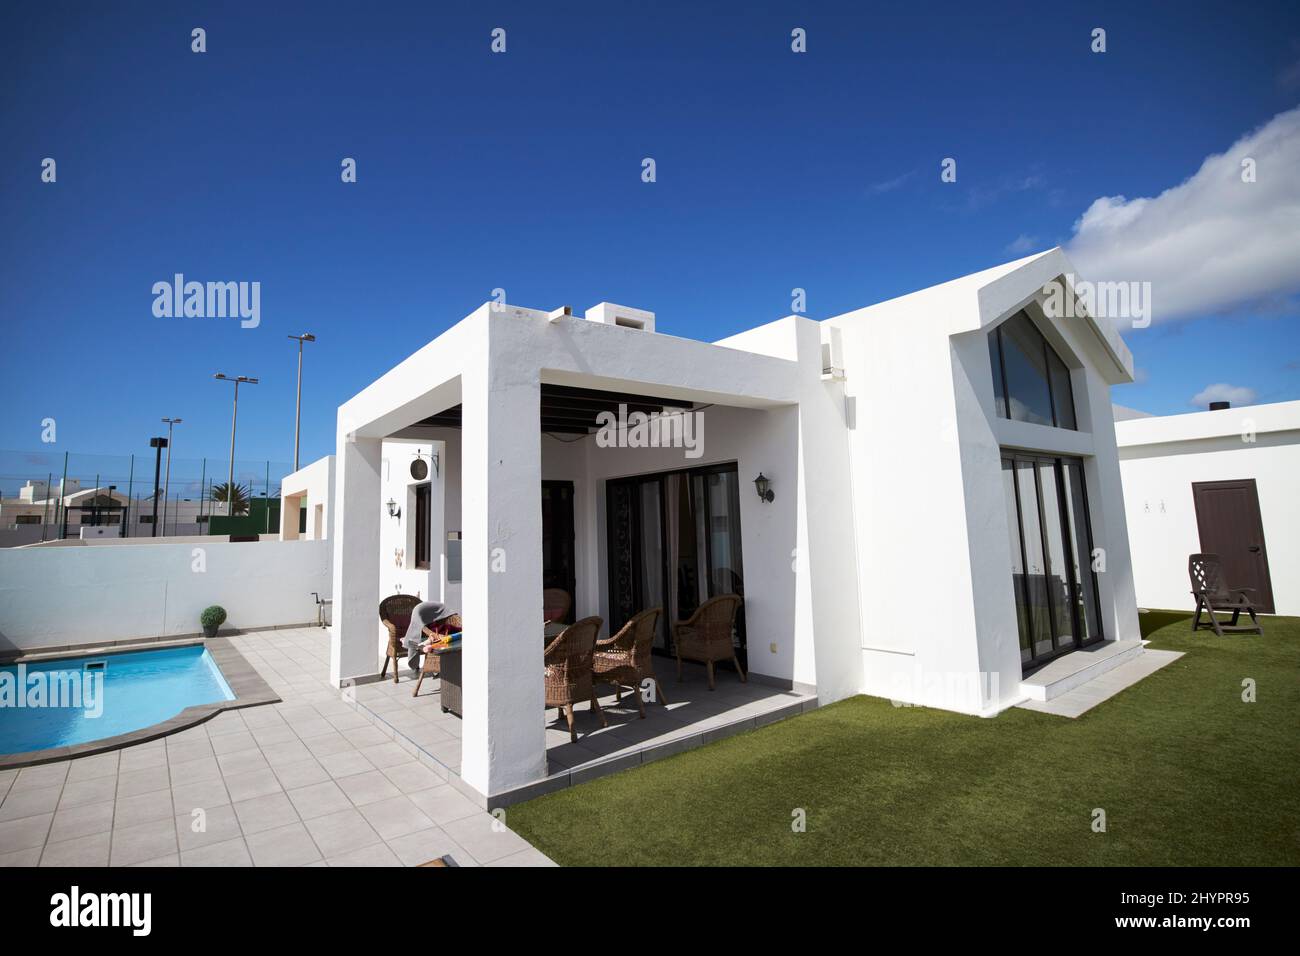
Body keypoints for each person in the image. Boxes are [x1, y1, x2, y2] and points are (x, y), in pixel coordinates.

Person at [403, 601, 458, 671]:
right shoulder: (418, 615)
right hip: (422, 618)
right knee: (416, 640)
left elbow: (454, 619)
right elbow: (419, 627)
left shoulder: (445, 620)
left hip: (439, 632)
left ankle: (452, 668)